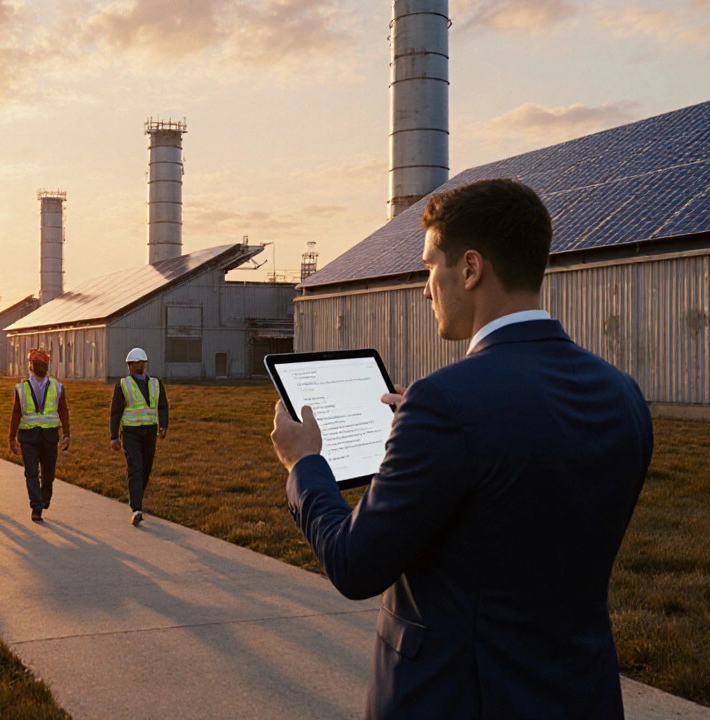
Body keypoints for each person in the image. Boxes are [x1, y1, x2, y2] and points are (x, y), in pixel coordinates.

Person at [270, 178, 653, 719]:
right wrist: (428, 438)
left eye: (430, 266)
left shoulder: (446, 404)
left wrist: (305, 463)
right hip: (580, 696)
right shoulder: (622, 394)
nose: (426, 288)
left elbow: (354, 563)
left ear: (470, 269)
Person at [8, 348, 70, 522]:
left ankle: (45, 495)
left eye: (43, 364)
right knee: (31, 472)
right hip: (28, 436)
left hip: (50, 436)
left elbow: (63, 409)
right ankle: (36, 506)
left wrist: (67, 434)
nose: (40, 366)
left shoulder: (57, 387)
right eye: (38, 363)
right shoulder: (21, 388)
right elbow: (16, 412)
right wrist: (11, 437)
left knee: (48, 473)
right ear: (31, 365)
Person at [109, 347, 168, 526]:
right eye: (133, 364)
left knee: (146, 468)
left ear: (144, 364)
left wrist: (163, 426)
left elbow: (163, 406)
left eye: (139, 363)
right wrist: (114, 437)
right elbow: (115, 412)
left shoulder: (156, 384)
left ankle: (136, 497)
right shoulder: (123, 385)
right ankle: (137, 508)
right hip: (131, 433)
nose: (136, 366)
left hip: (149, 432)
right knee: (135, 467)